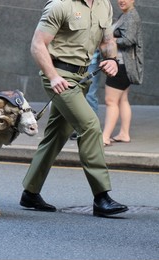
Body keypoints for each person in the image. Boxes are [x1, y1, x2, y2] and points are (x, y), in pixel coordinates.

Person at [20, 0, 128, 217]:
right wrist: (52, 76)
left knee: (57, 135)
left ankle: (30, 192)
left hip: (83, 76)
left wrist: (112, 60)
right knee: (90, 126)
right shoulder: (60, 5)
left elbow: (107, 41)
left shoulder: (103, 5)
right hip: (59, 76)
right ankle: (101, 197)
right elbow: (38, 44)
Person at [102, 0, 143, 146]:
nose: (121, 0)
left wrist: (112, 40)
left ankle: (105, 137)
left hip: (121, 65)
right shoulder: (126, 14)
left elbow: (129, 39)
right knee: (122, 99)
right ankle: (124, 133)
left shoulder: (131, 16)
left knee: (110, 101)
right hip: (125, 65)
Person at [69, 49, 101, 140]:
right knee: (73, 94)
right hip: (73, 61)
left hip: (92, 61)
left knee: (90, 95)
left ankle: (91, 129)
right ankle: (77, 127)